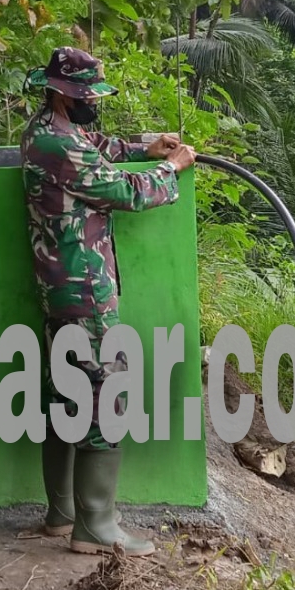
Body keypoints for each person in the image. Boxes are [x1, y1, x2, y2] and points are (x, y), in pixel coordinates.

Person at [19, 45, 196, 556]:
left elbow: (101, 146)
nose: (92, 102)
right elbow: (125, 192)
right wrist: (173, 167)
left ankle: (61, 513)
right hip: (86, 290)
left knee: (62, 394)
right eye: (84, 96)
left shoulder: (45, 132)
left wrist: (150, 144)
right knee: (101, 397)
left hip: (58, 286)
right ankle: (95, 526)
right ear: (59, 94)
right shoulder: (60, 145)